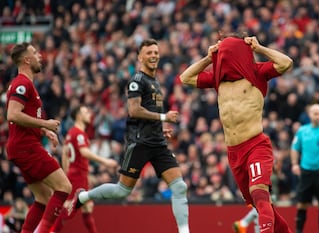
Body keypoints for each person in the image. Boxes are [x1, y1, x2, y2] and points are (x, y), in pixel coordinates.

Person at [68, 39, 190, 233]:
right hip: (139, 143)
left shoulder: (155, 82)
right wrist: (163, 116)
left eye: (156, 53)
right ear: (140, 57)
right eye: (149, 53)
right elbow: (134, 110)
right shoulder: (137, 81)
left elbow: (147, 113)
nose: (153, 56)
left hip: (158, 143)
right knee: (122, 191)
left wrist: (160, 127)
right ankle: (83, 197)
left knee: (180, 187)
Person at [179, 33, 293, 233]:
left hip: (256, 145)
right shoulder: (218, 79)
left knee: (259, 194)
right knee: (260, 205)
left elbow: (286, 63)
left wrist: (260, 49)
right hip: (233, 152)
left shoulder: (256, 73)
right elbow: (185, 78)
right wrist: (207, 58)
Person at [6, 42, 72, 233]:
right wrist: (45, 123)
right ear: (27, 59)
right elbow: (12, 115)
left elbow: (24, 118)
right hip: (26, 147)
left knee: (43, 198)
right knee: (64, 187)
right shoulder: (22, 83)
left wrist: (44, 131)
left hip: (23, 146)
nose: (40, 56)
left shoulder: (26, 84)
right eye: (35, 53)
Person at [53, 105, 118, 233]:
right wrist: (105, 161)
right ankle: (53, 231)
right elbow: (84, 152)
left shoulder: (71, 133)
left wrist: (66, 172)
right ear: (78, 116)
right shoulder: (79, 134)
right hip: (77, 175)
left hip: (77, 174)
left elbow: (65, 153)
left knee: (87, 207)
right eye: (85, 112)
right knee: (70, 207)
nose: (89, 114)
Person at [290, 104, 319, 233]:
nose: (318, 116)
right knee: (302, 205)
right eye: (315, 113)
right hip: (306, 172)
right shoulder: (302, 131)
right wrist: (294, 164)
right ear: (310, 115)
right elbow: (294, 148)